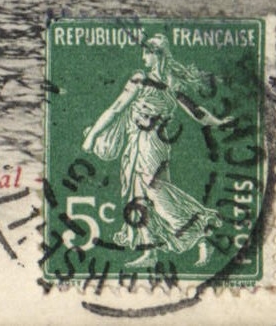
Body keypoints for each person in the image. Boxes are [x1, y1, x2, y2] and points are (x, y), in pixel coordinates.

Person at [81, 35, 231, 267]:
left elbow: (115, 109)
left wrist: (91, 137)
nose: (143, 57)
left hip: (150, 142)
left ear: (157, 54)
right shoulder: (172, 82)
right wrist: (217, 122)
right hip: (142, 141)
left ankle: (201, 231)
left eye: (147, 53)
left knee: (155, 192)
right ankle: (150, 252)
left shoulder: (141, 79)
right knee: (137, 194)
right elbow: (198, 113)